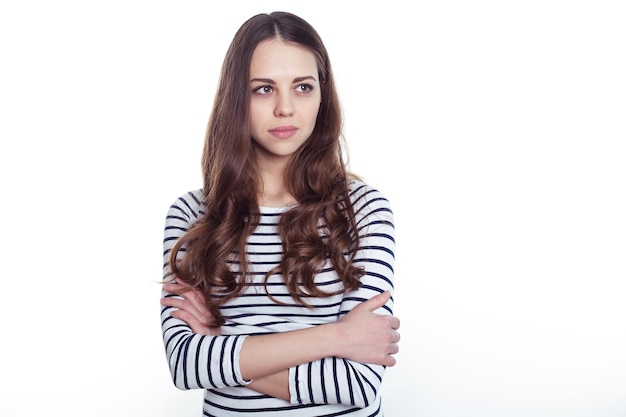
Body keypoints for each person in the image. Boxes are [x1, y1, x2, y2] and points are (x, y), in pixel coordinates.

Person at [160, 11, 400, 416]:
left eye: (302, 87)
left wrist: (225, 347)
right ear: (237, 97)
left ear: (322, 95)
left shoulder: (363, 209)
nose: (285, 108)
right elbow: (186, 364)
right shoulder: (191, 215)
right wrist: (338, 338)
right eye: (263, 89)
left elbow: (359, 383)